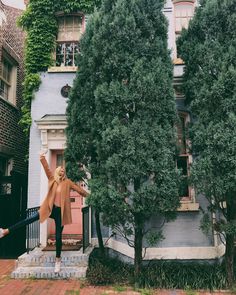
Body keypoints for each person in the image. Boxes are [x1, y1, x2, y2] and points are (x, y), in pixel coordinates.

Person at [0, 151, 89, 273]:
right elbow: (46, 168)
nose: (63, 171)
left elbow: (79, 190)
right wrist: (42, 157)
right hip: (49, 208)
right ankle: (5, 231)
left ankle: (58, 261)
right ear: (57, 171)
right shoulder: (52, 180)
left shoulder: (68, 183)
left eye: (64, 170)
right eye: (61, 170)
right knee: (29, 219)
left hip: (60, 213)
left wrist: (90, 196)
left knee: (58, 236)